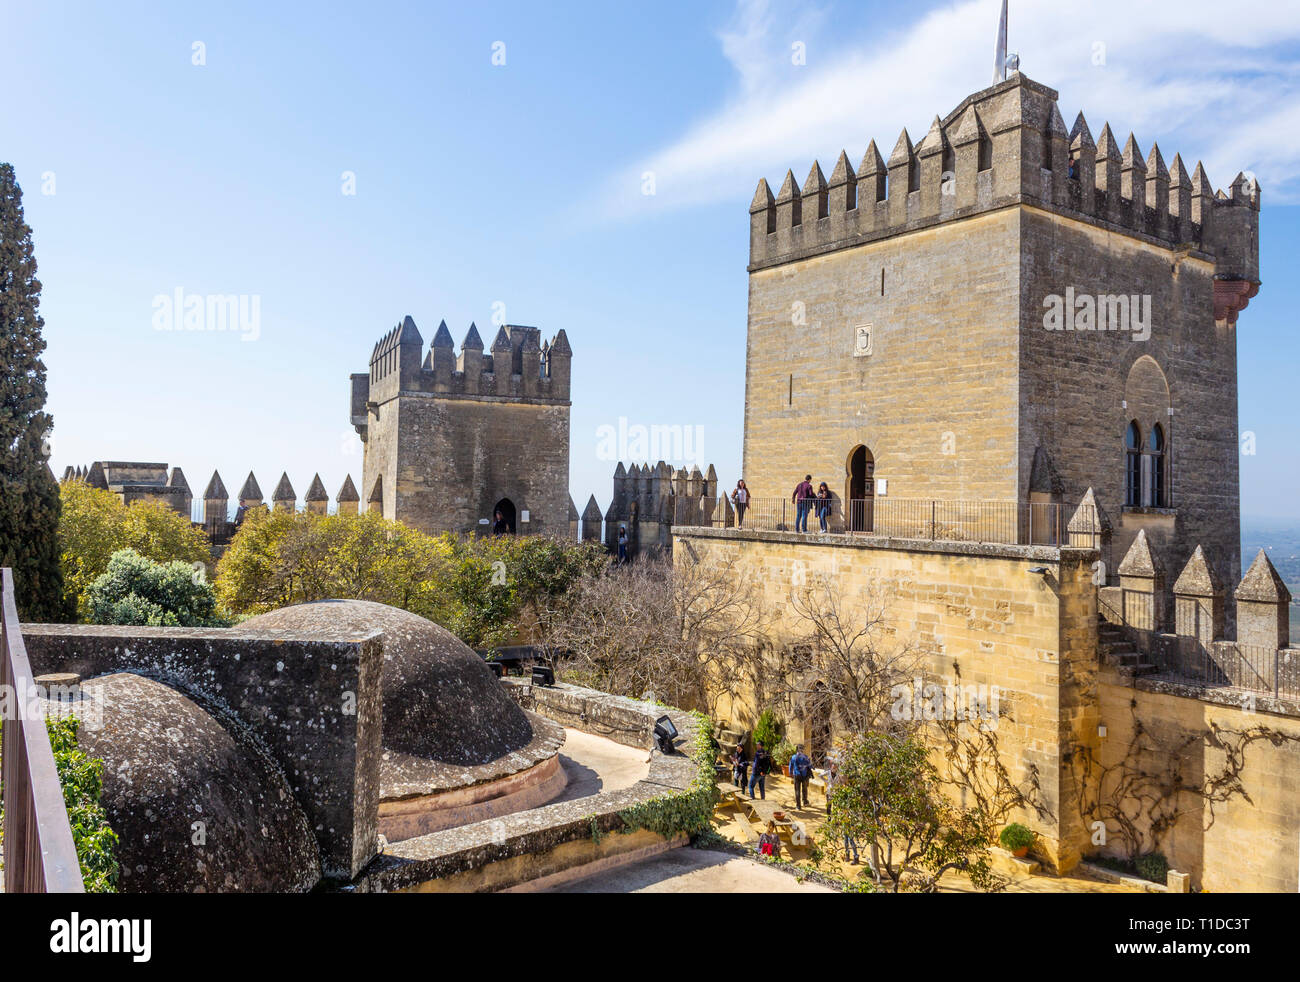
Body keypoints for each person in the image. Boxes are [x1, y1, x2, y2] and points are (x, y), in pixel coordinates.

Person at [790, 744, 812, 809]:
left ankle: (798, 806)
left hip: (796, 775)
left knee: (797, 790)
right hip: (804, 776)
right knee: (804, 789)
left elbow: (790, 766)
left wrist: (791, 773)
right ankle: (805, 802)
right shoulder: (805, 757)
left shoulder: (793, 757)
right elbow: (810, 766)